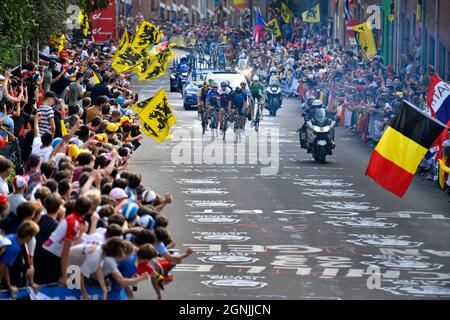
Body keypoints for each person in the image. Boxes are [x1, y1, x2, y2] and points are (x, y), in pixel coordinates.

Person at [0, 221, 40, 298]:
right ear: (28, 236)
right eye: (33, 236)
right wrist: (9, 286)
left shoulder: (10, 237)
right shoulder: (14, 248)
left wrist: (9, 285)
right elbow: (2, 268)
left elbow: (5, 266)